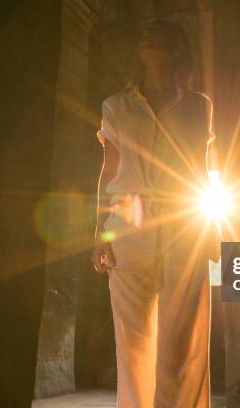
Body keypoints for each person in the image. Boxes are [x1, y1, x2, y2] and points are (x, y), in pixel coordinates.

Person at [90, 19, 219, 408]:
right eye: (144, 33)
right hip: (129, 226)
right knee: (134, 342)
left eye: (159, 32)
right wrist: (100, 233)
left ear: (177, 48)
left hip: (185, 224)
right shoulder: (116, 106)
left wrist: (211, 227)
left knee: (183, 341)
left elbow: (203, 168)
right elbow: (108, 170)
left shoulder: (200, 106)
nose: (148, 35)